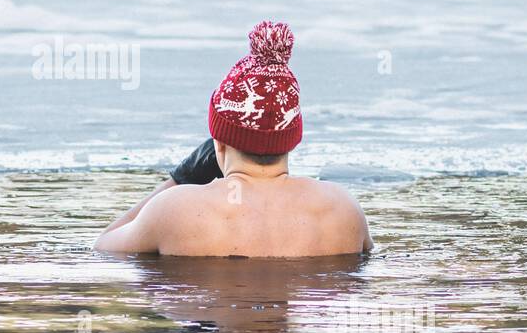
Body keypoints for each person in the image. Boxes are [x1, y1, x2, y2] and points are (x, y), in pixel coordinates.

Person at [94, 21, 373, 257]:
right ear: (292, 139)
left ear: (219, 142)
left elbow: (103, 247)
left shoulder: (174, 211)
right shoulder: (343, 209)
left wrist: (179, 178)